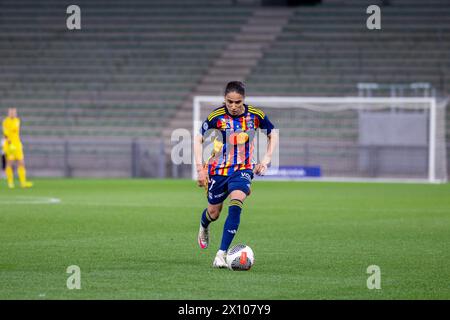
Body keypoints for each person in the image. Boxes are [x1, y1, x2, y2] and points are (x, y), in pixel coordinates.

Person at [194, 81, 278, 268]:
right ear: (224, 99)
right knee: (214, 213)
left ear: (243, 100)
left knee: (237, 201)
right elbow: (198, 139)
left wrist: (265, 160)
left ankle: (221, 254)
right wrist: (200, 169)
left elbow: (273, 133)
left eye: (237, 102)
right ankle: (204, 225)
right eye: (229, 102)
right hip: (218, 170)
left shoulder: (256, 115)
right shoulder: (216, 115)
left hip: (243, 168)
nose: (233, 106)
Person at [2, 108, 33, 188]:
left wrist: (17, 144)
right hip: (9, 145)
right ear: (8, 113)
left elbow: (16, 134)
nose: (12, 114)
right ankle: (10, 182)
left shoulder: (17, 121)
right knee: (10, 163)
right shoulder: (6, 122)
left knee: (21, 163)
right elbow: (6, 135)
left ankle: (23, 183)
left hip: (17, 145)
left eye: (14, 112)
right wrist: (10, 144)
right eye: (11, 112)